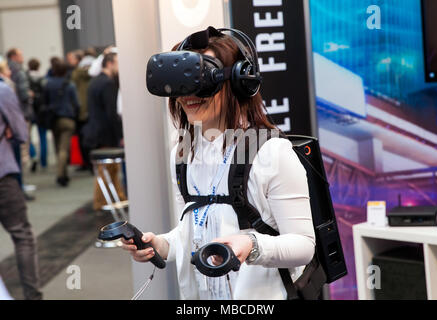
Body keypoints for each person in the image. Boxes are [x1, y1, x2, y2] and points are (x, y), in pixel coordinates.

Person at [121, 29, 315, 300]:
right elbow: (194, 229)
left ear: (238, 81)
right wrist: (161, 245)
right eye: (182, 83)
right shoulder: (182, 152)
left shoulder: (271, 152)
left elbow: (304, 245)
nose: (189, 94)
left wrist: (251, 244)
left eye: (202, 81)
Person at [0, 80, 42, 300]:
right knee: (22, 235)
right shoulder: (2, 90)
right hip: (2, 176)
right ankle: (32, 296)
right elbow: (21, 133)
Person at [83, 52, 125, 210]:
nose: (119, 67)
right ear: (109, 64)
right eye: (117, 63)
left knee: (107, 170)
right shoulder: (107, 83)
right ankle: (101, 202)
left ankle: (113, 199)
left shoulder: (94, 82)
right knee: (107, 170)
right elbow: (111, 113)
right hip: (105, 133)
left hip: (96, 130)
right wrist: (120, 135)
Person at [44, 58, 79, 187]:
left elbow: (45, 101)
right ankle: (61, 175)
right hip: (67, 119)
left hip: (53, 119)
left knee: (58, 147)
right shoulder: (70, 85)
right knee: (64, 149)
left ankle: (63, 174)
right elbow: (76, 103)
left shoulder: (48, 84)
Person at [6, 48, 34, 200]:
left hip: (15, 122)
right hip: (19, 119)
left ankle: (19, 187)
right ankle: (19, 188)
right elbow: (22, 95)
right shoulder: (14, 77)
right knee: (21, 155)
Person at [71, 50, 95, 171]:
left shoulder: (76, 74)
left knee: (82, 138)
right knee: (89, 137)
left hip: (80, 110)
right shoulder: (93, 75)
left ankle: (86, 163)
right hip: (90, 109)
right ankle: (90, 163)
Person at [27, 58, 47, 171]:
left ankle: (33, 155)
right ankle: (44, 162)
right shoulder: (42, 79)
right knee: (42, 137)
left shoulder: (26, 79)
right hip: (41, 111)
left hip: (30, 111)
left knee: (28, 137)